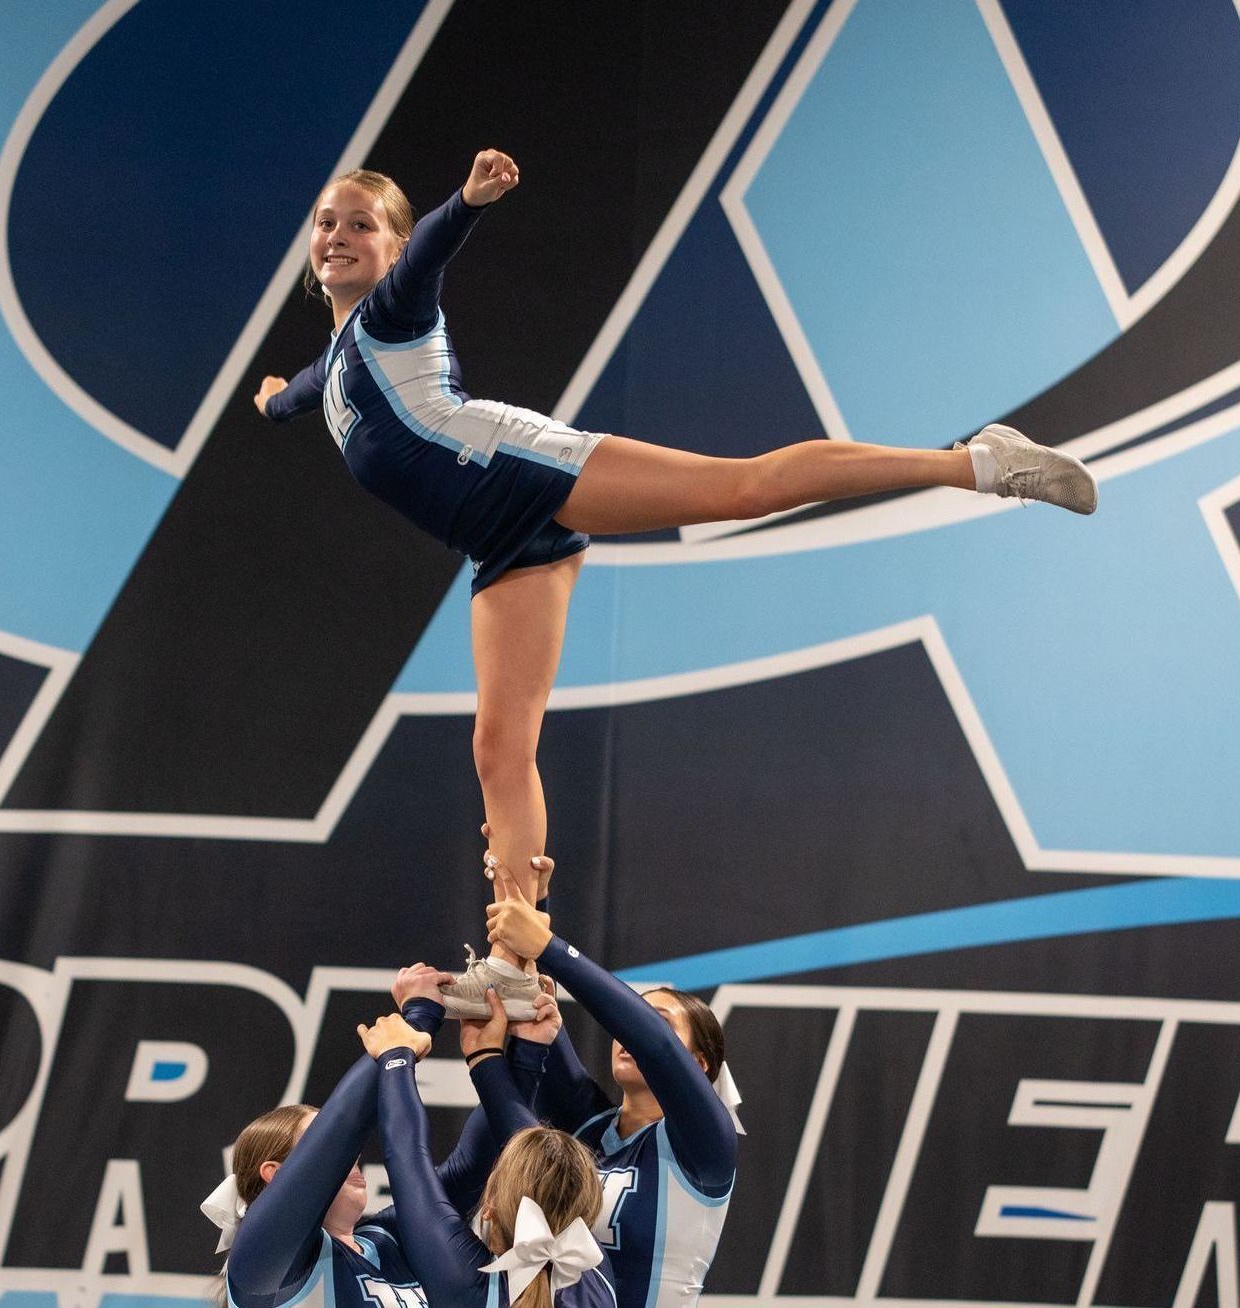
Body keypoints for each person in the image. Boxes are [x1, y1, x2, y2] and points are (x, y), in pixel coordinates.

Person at [255, 150, 1099, 1000]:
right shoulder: (333, 364)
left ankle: (978, 463)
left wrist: (466, 204)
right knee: (499, 743)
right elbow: (304, 392)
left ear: (393, 249)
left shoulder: (395, 309)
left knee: (742, 487)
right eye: (328, 222)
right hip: (499, 545)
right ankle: (517, 965)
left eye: (362, 224)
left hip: (527, 471)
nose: (338, 236)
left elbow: (434, 250)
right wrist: (272, 399)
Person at [206, 969, 560, 1308]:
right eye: (312, 1145)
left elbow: (472, 1167)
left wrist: (522, 1055)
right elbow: (341, 1128)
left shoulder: (385, 1239)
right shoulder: (260, 1261)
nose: (351, 1157)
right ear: (276, 1172)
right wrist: (418, 1018)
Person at [481, 857, 738, 1308]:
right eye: (633, 1017)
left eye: (654, 1019)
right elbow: (534, 1003)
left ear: (698, 1065)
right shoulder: (588, 1126)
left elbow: (654, 1044)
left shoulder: (706, 1147)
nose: (626, 1034)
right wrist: (531, 898)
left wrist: (548, 944)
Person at [361, 1009, 618, 1308]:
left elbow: (406, 1154)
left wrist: (395, 1056)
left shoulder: (466, 1279)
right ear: (587, 1204)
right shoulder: (595, 1271)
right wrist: (489, 1056)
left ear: (490, 1205)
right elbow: (543, 1163)